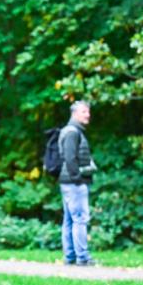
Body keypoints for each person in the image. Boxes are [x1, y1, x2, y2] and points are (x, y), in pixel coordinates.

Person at [58, 100, 98, 266]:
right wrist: (77, 178)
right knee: (80, 219)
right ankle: (82, 257)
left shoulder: (72, 131)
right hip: (74, 183)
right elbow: (69, 158)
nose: (88, 115)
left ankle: (70, 257)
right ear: (75, 114)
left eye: (88, 111)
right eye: (84, 112)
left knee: (69, 220)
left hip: (68, 182)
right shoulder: (73, 132)